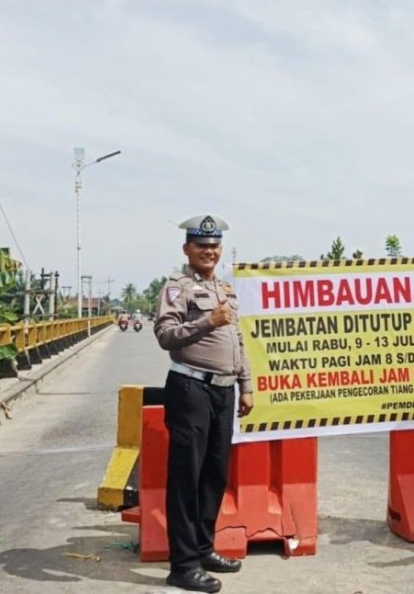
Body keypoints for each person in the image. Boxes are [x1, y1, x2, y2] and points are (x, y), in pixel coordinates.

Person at [154, 214, 254, 593]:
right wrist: (207, 322)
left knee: (214, 474)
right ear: (187, 249)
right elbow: (165, 335)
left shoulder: (224, 289)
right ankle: (183, 565)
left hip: (224, 392)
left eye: (214, 246)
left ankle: (203, 548)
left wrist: (245, 384)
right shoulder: (176, 288)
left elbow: (237, 341)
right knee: (187, 477)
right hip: (190, 388)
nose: (208, 251)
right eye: (201, 245)